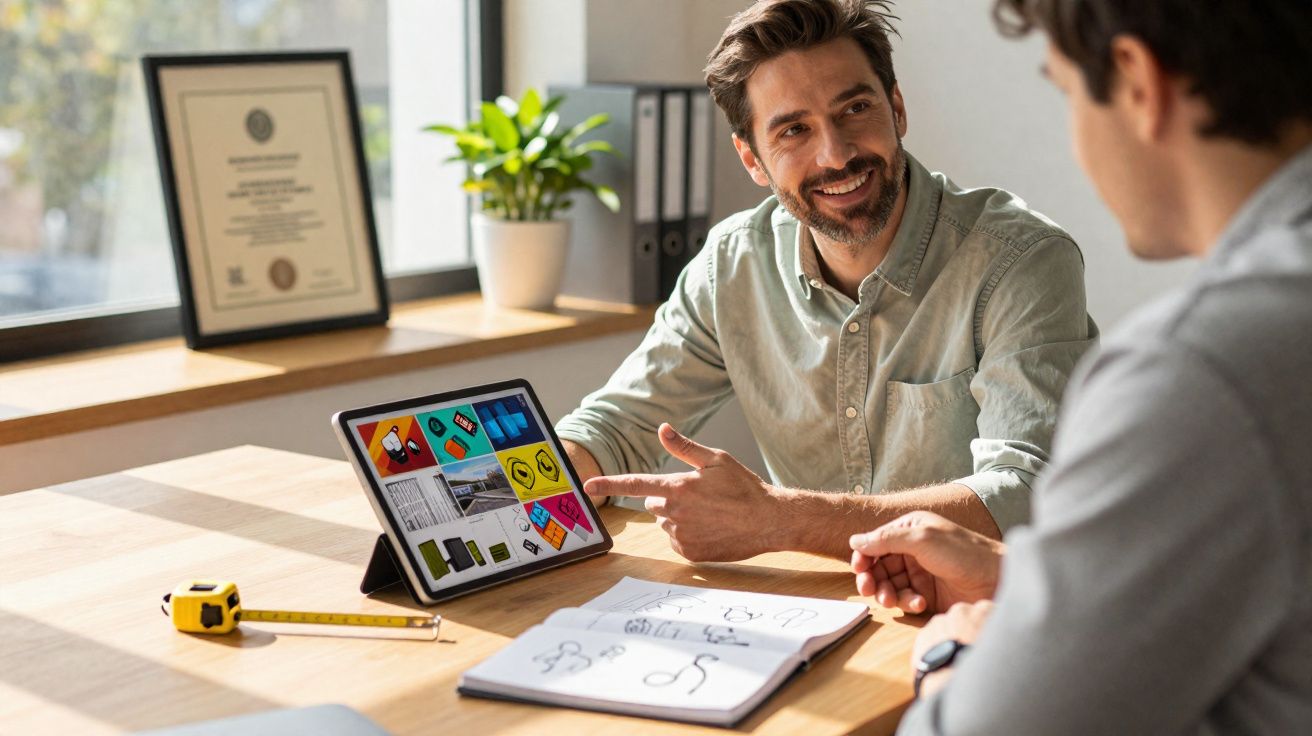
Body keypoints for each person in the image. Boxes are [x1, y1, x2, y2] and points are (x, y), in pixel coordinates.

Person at [848, 0, 1312, 732]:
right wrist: (1025, 581)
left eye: (1067, 92)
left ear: (1136, 81)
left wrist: (951, 660)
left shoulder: (1198, 376)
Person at [554, 0, 1097, 562]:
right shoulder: (731, 266)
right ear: (753, 160)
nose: (836, 155)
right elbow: (617, 426)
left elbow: (1026, 493)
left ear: (897, 108)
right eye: (794, 130)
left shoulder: (1021, 260)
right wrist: (519, 502)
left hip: (969, 614)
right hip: (806, 612)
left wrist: (777, 520)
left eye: (855, 109)